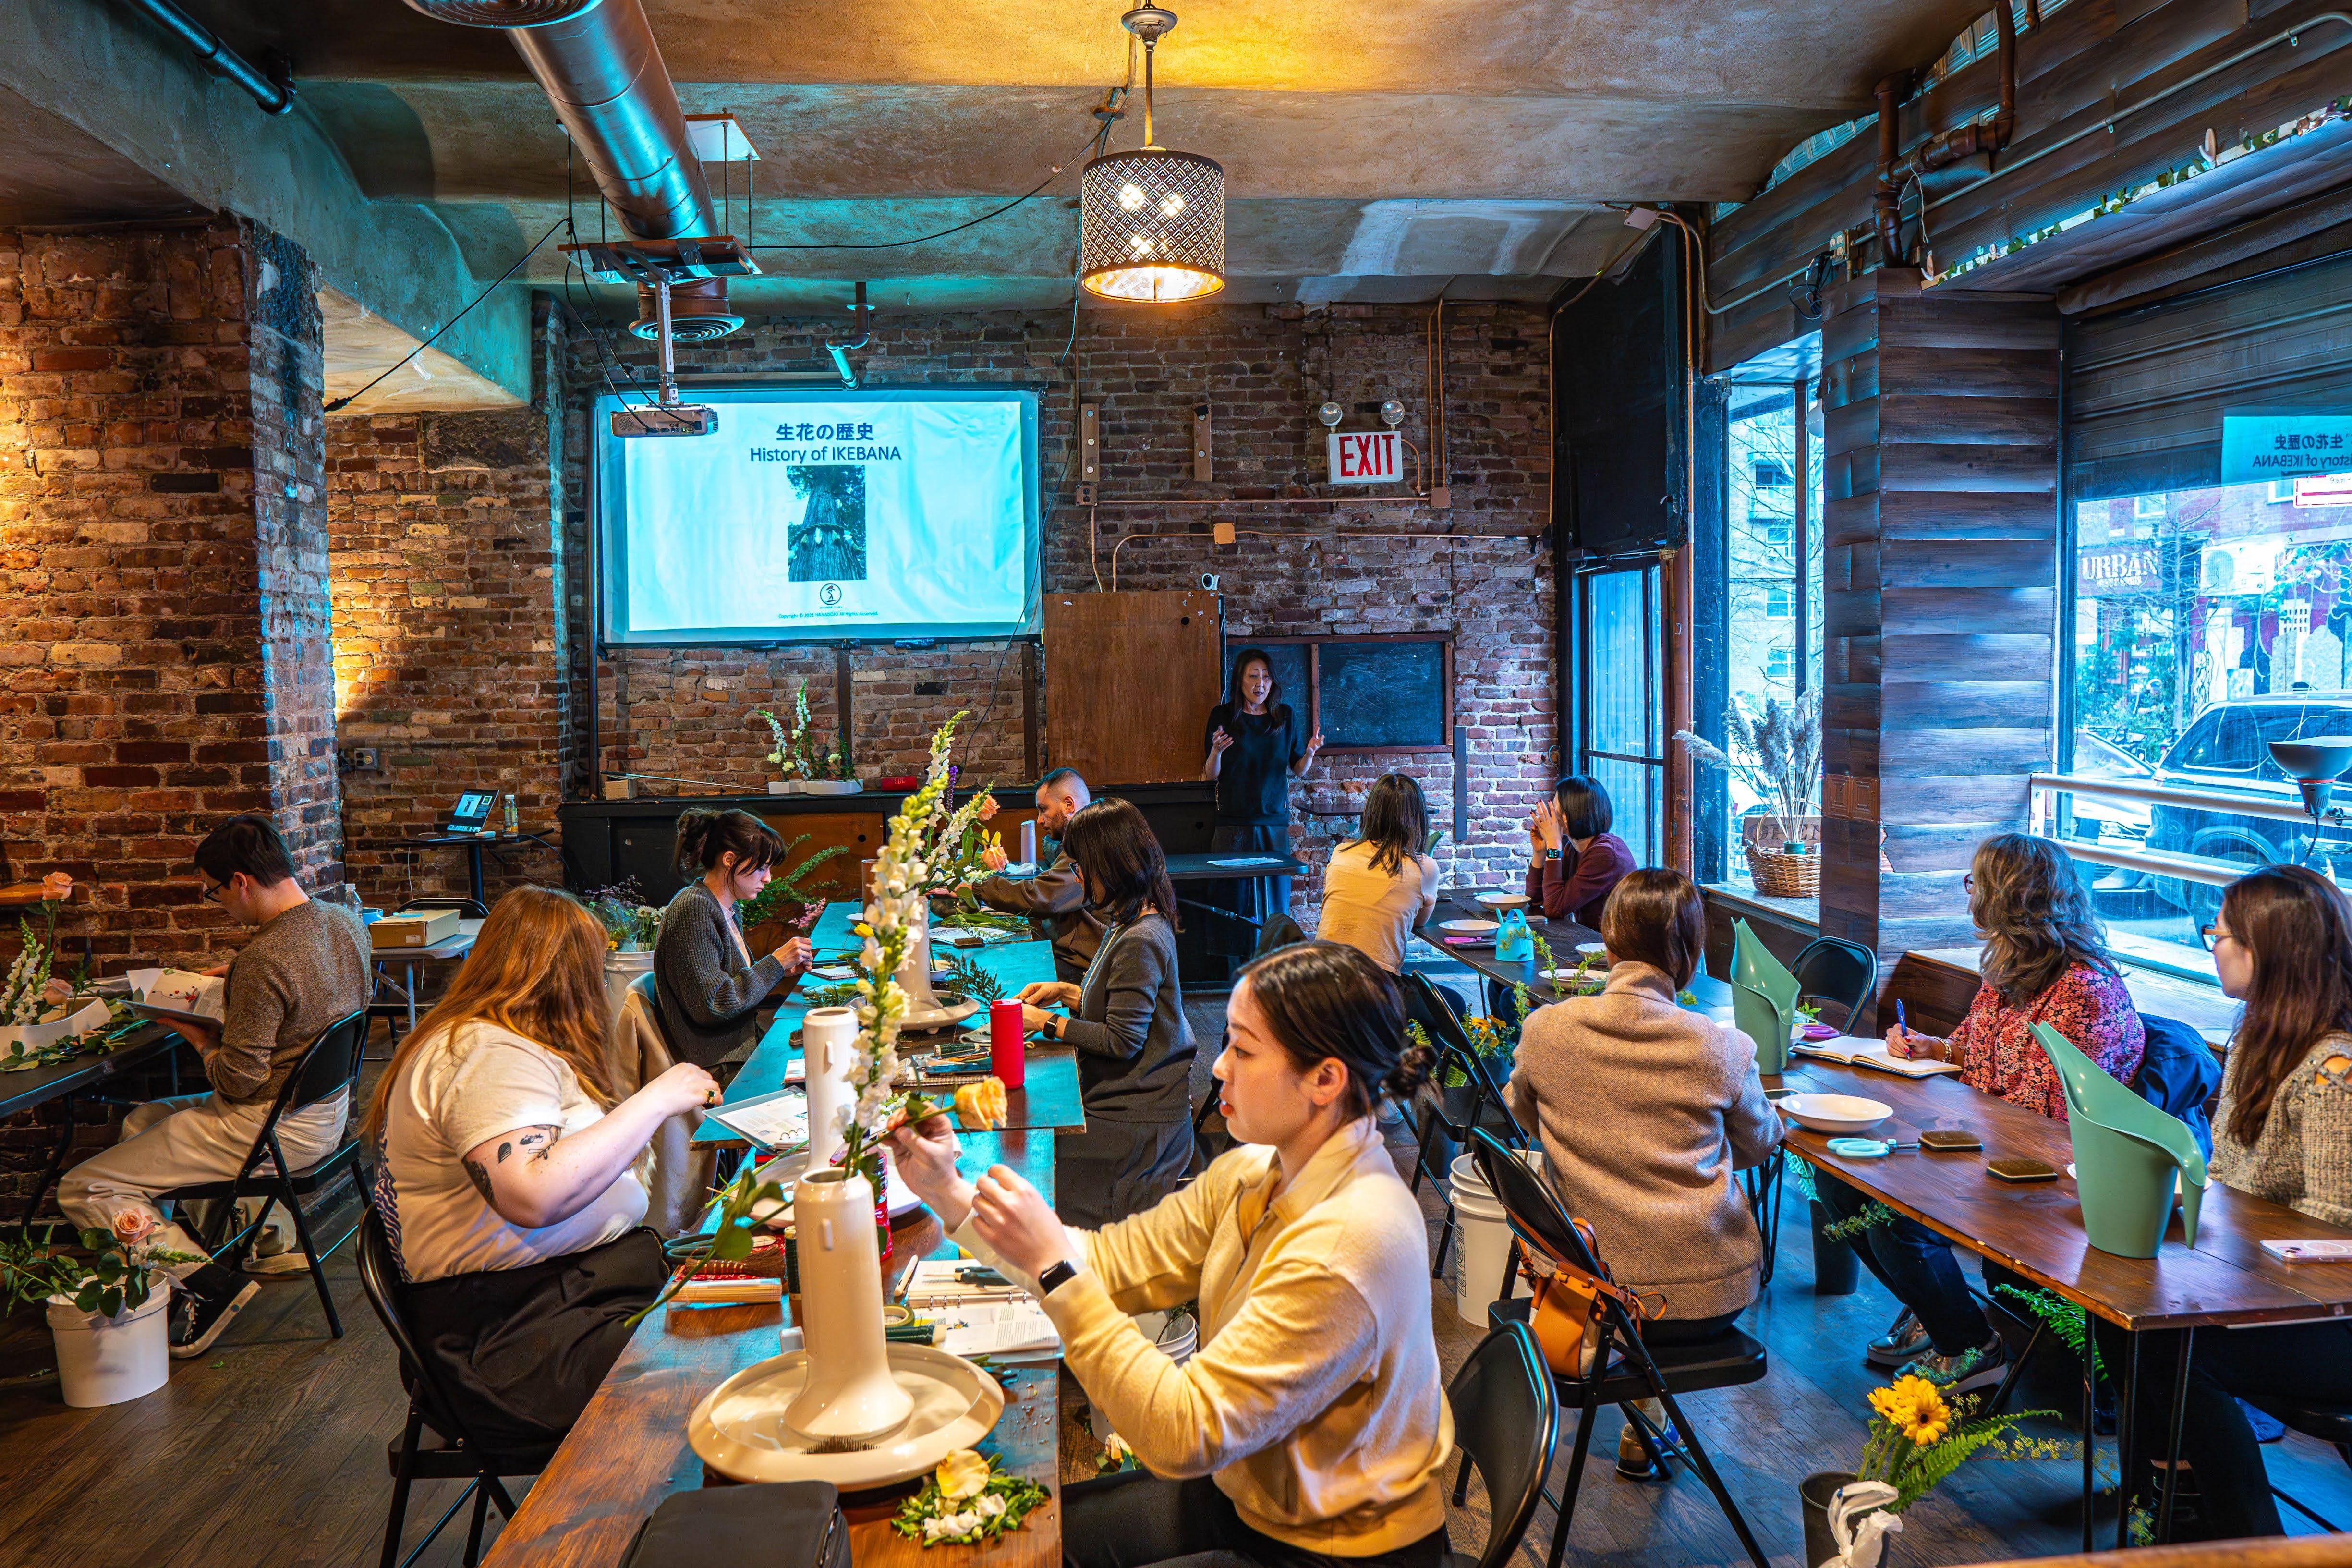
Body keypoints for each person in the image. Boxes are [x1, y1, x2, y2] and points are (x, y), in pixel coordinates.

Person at [889, 940, 1451, 1568]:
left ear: (1325, 1079)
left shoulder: (1346, 1244)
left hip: (1334, 1548)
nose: (1218, 1067)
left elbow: (1184, 1432)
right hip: (1251, 1489)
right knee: (1025, 1545)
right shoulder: (1255, 1172)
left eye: (1242, 1047)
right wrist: (950, 1192)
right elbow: (1114, 1262)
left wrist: (1055, 1266)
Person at [365, 885, 718, 1451]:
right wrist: (656, 1099)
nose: (601, 987)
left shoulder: (500, 1042)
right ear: (563, 976)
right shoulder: (485, 1054)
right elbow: (532, 1195)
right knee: (726, 1367)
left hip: (562, 1304)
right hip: (517, 1345)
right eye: (595, 970)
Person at [1815, 832, 2146, 1391]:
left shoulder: (2082, 992)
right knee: (1840, 1179)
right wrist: (1935, 1047)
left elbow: (2041, 1124)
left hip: (2048, 1177)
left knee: (1893, 1204)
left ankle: (1970, 1344)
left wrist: (1932, 1139)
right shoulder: (2010, 970)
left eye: (1975, 883)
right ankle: (1936, 1311)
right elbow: (1978, 1048)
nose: (1968, 894)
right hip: (1986, 1148)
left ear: (2005, 896)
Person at [2089, 865, 2352, 1539]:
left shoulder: (2333, 1070)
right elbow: (2234, 1175)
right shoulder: (2258, 1032)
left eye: (2221, 934)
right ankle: (2171, 1499)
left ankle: (2249, 1538)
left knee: (2177, 1350)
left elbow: (2336, 1230)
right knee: (2121, 1311)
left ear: (2270, 952)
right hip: (2260, 1281)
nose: (2211, 943)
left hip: (2329, 1311)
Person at [60, 814, 372, 1357]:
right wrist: (240, 989)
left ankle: (208, 1286)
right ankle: (192, 1262)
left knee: (85, 1187)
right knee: (144, 1121)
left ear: (241, 882)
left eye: (215, 891)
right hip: (329, 1112)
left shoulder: (264, 958)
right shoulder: (345, 922)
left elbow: (239, 1081)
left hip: (273, 1126)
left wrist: (197, 1034)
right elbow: (308, 1000)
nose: (219, 902)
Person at [1508, 868, 1781, 1477]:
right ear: (1687, 953)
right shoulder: (1719, 1047)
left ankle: (1642, 1420)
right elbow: (1761, 1145)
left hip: (1585, 1295)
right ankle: (1650, 1425)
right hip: (1705, 1298)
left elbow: (1520, 1116)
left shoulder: (1547, 1031)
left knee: (1614, 1252)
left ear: (1607, 945)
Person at [1012, 799, 1196, 1227]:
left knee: (1029, 1160)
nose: (1078, 877)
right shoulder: (1130, 917)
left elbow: (1123, 1039)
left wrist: (1049, 1023)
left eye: (1081, 867)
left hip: (1141, 1125)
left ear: (1109, 864)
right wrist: (1068, 992)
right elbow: (1125, 1006)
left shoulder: (1141, 936)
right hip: (1133, 1105)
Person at [654, 807, 815, 1070]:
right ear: (729, 860)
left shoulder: (725, 907)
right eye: (761, 868)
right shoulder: (694, 908)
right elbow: (714, 1005)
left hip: (739, 1047)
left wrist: (780, 971)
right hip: (719, 1065)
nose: (768, 878)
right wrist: (774, 964)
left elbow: (731, 984)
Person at [1204, 647, 1323, 925]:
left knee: (1275, 900)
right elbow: (1211, 775)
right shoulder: (1222, 716)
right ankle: (1236, 963)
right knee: (1232, 901)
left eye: (1267, 678)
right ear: (1240, 681)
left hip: (1273, 820)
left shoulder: (1285, 716)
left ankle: (1274, 959)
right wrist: (1217, 752)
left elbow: (1297, 769)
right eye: (1254, 676)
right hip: (1233, 820)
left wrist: (1310, 753)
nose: (1261, 684)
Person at [961, 767, 1103, 983]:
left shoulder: (1088, 844)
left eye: (1043, 809)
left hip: (1083, 968)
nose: (1039, 820)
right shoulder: (1083, 840)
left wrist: (978, 887)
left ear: (1069, 805)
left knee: (994, 972)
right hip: (1073, 958)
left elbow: (1043, 897)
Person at [1318, 773, 1438, 974]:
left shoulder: (1340, 852)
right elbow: (1418, 922)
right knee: (1455, 1002)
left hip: (1318, 974)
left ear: (1371, 812)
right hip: (1373, 985)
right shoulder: (1425, 868)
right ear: (1418, 818)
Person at [1523, 773, 1634, 927]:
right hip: (1591, 942)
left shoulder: (1606, 853)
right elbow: (1535, 899)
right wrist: (1540, 853)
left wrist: (1554, 844)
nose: (1550, 817)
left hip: (1614, 946)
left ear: (1567, 817)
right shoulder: (1574, 849)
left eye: (1553, 810)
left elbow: (1555, 908)